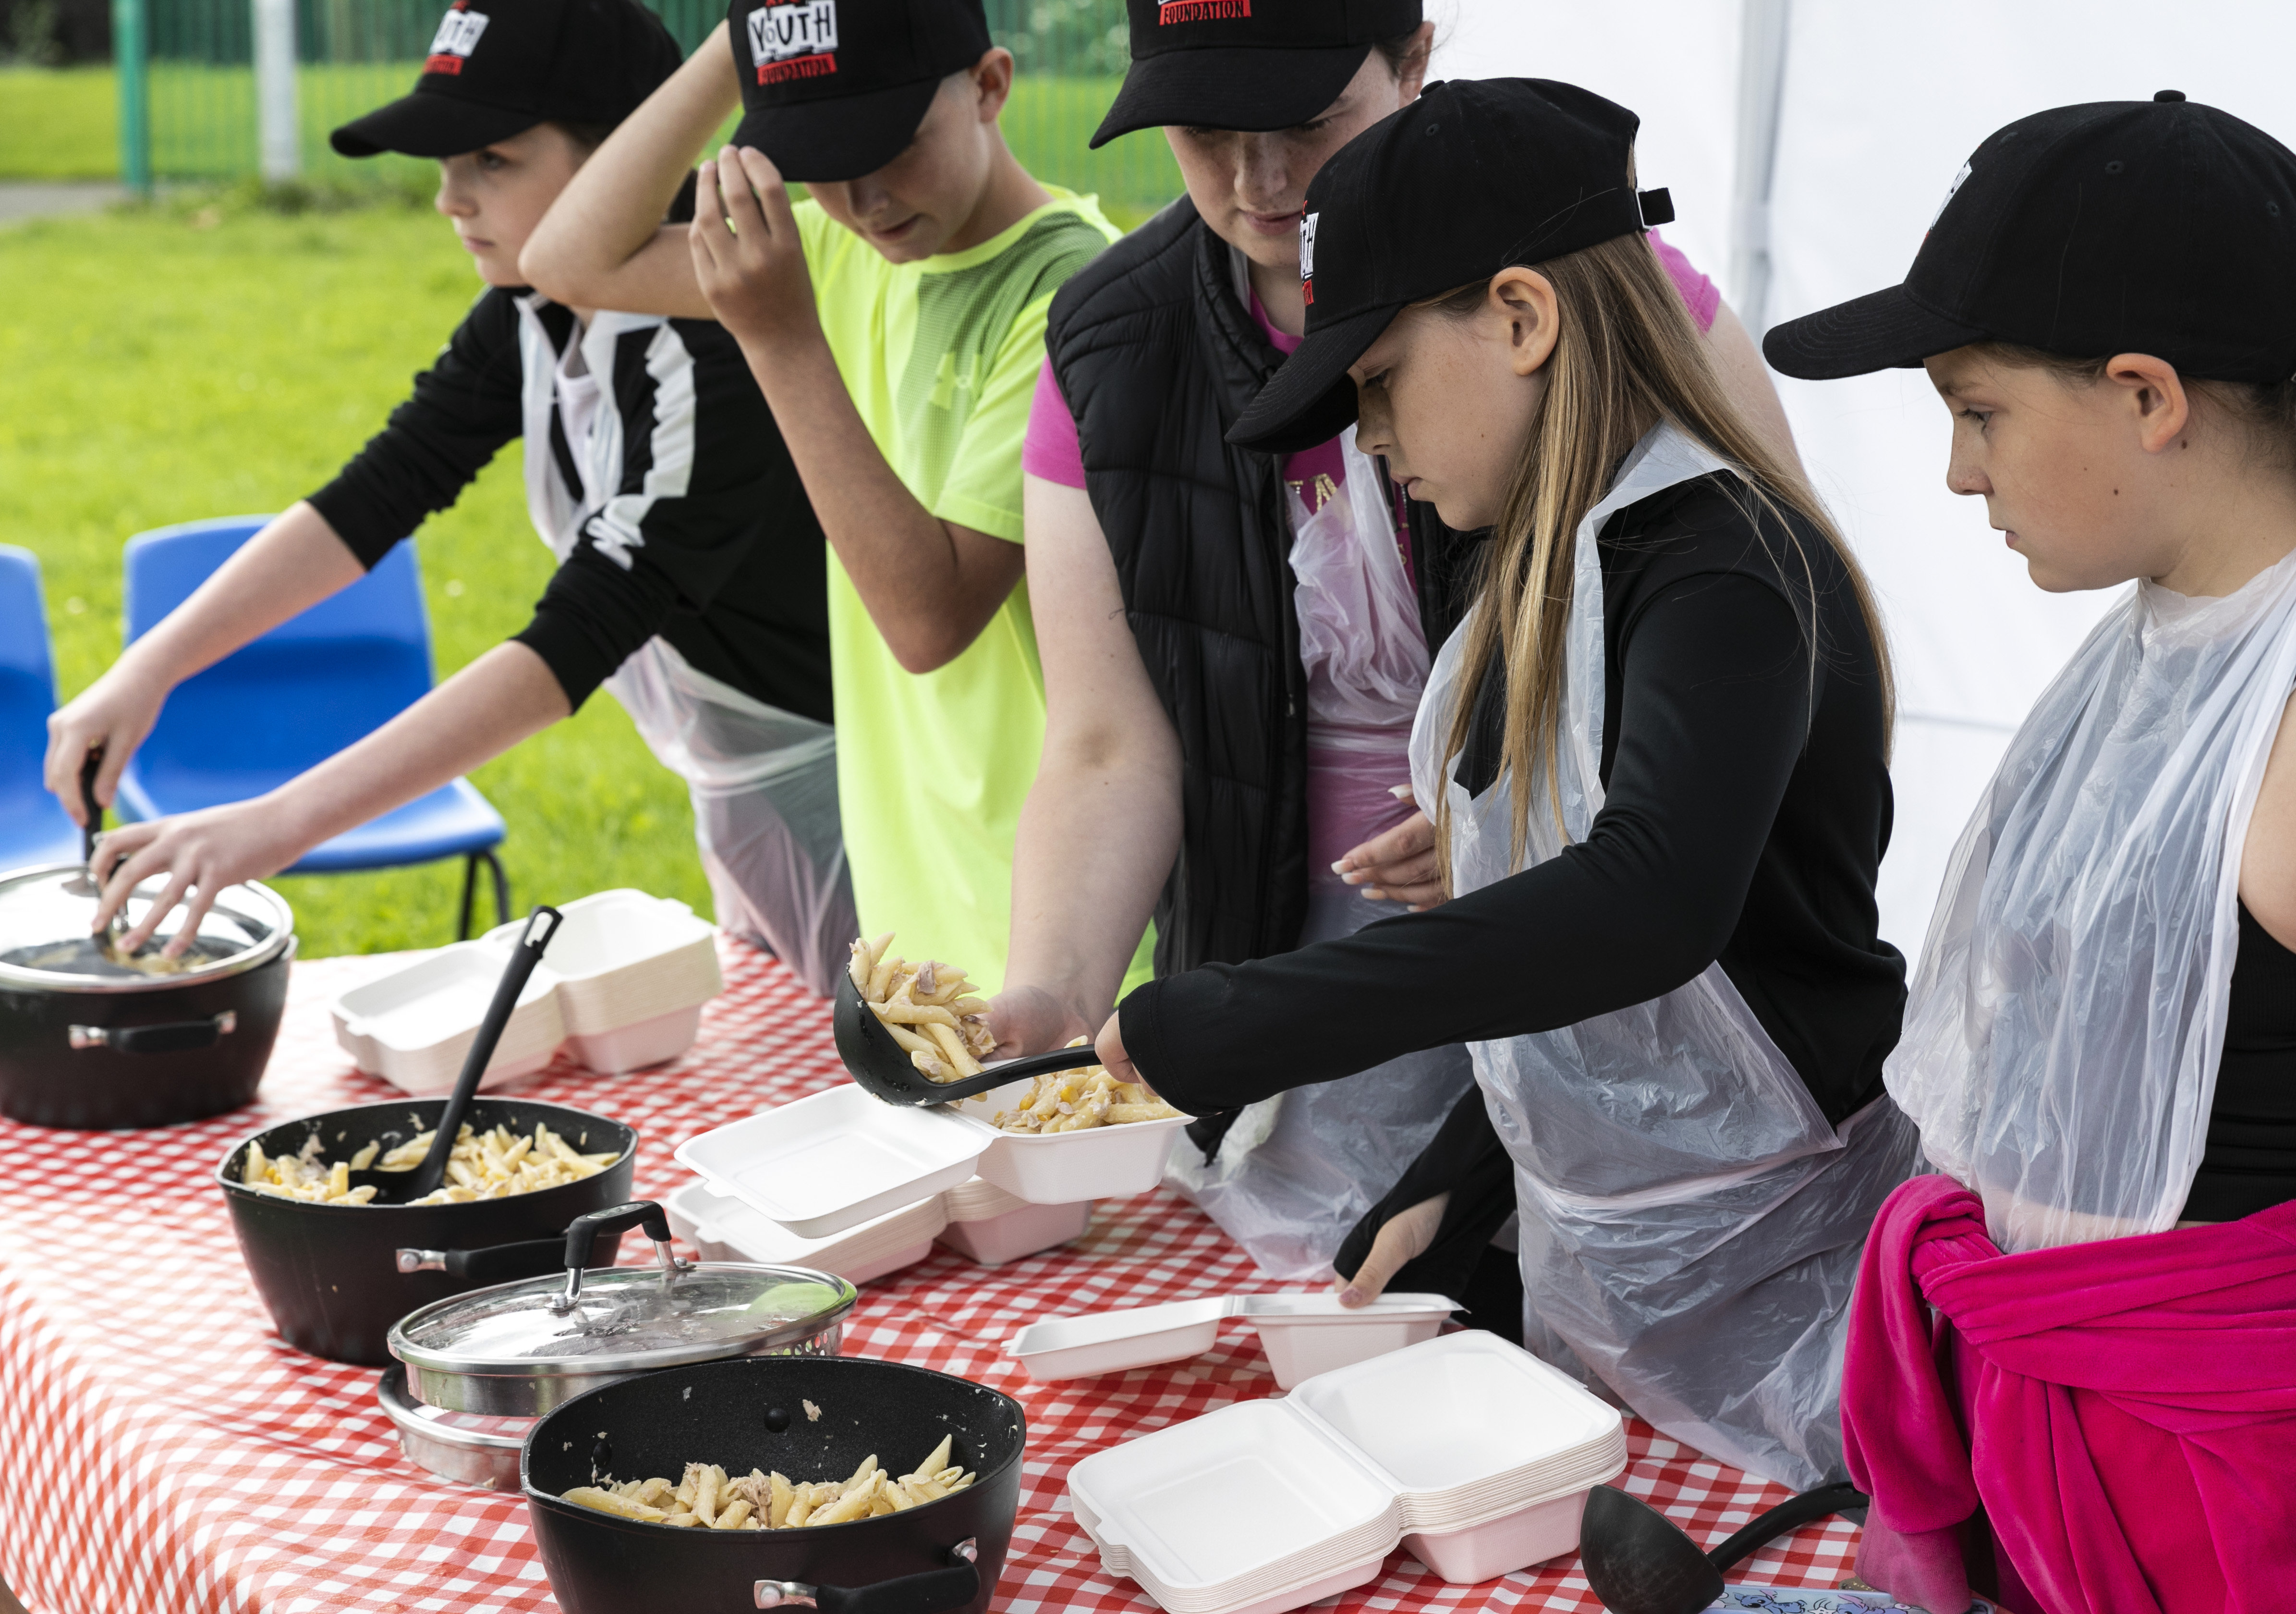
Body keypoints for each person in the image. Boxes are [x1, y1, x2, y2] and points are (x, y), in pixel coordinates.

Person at [1083, 78, 1922, 1491]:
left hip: (1795, 1291)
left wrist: (1252, 1017)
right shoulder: (1537, 567)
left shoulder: (1725, 566)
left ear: (1523, 320)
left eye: (1381, 383)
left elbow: (1649, 904)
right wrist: (1460, 1176)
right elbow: (1590, 987)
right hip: (1613, 1285)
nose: (1372, 447)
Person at [982, 0, 1800, 1287]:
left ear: (1414, 60)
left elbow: (1750, 692)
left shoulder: (1623, 320)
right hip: (1269, 1000)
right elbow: (1104, 739)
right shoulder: (1111, 348)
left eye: (1308, 124)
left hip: (1604, 1018)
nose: (1258, 180)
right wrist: (1057, 991)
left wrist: (1507, 822)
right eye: (1204, 133)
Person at [1761, 93, 2296, 1612]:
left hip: (2279, 1533)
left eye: (1975, 408)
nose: (1956, 473)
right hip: (2080, 1496)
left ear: (2147, 393)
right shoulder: (2157, 651)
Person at [47, 0, 852, 987]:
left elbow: (578, 638)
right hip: (739, 780)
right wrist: (151, 668)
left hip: (857, 783)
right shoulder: (529, 308)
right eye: (446, 165)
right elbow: (377, 495)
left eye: (493, 162)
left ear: (628, 158)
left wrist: (276, 823)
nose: (449, 200)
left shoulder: (708, 349)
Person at [519, 0, 1142, 999]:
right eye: (816, 156)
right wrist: (749, 36)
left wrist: (778, 339)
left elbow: (929, 617)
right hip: (923, 899)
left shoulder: (1074, 294)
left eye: (890, 144)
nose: (861, 197)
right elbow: (563, 260)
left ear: (989, 86)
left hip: (1059, 920)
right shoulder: (842, 247)